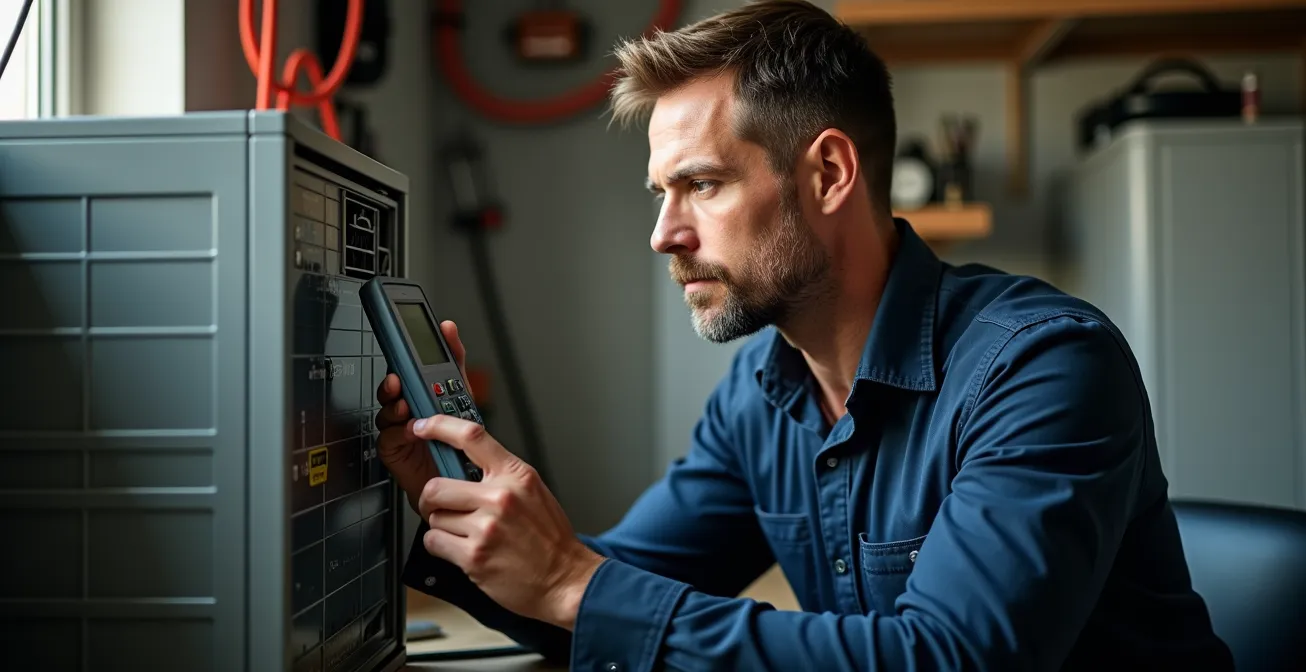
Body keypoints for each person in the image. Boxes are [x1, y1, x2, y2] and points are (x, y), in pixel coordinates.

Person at [374, 1, 1234, 669]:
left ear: (827, 173)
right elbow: (608, 592)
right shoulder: (762, 393)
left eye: (701, 184)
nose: (663, 233)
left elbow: (952, 658)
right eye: (659, 193)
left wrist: (572, 581)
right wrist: (450, 504)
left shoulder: (1043, 367)